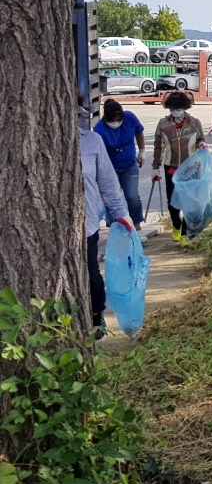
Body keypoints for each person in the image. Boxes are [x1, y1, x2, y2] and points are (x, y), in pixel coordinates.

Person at [79, 93, 134, 337]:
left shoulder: (91, 141)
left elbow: (108, 183)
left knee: (91, 273)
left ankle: (96, 315)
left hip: (86, 222)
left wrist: (122, 214)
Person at [151, 91, 205, 245]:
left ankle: (185, 234)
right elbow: (157, 147)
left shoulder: (195, 123)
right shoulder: (163, 124)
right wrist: (155, 167)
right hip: (172, 168)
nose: (176, 112)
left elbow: (201, 140)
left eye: (179, 109)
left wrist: (202, 145)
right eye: (173, 109)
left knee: (189, 202)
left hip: (191, 168)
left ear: (185, 108)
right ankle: (176, 225)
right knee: (172, 203)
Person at [94, 99, 145, 231]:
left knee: (132, 196)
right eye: (113, 121)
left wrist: (142, 151)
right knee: (112, 198)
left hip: (129, 164)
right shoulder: (100, 129)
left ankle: (137, 226)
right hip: (110, 168)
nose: (116, 123)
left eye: (118, 120)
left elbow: (139, 132)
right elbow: (99, 152)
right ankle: (113, 227)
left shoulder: (129, 118)